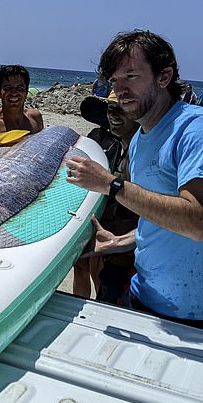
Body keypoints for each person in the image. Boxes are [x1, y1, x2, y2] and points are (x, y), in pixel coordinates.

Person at [65, 30, 203, 338]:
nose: (119, 90)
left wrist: (112, 184)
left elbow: (197, 221)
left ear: (164, 77)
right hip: (145, 296)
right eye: (114, 80)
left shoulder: (196, 129)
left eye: (131, 76)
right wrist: (120, 241)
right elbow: (161, 216)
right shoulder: (140, 140)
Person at [73, 92, 139, 302]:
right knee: (85, 269)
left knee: (102, 276)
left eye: (121, 108)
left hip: (124, 238)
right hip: (98, 222)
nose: (115, 115)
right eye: (111, 108)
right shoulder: (99, 138)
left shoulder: (137, 150)